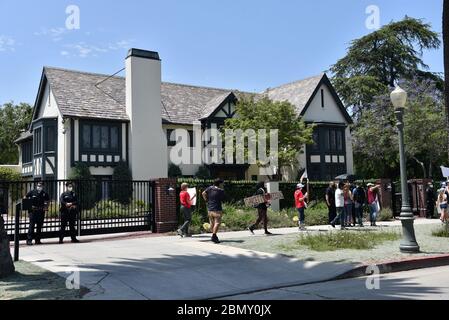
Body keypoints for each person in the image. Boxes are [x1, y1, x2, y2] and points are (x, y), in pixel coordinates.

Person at [202, 178, 225, 244]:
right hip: (217, 209)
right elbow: (223, 198)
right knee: (217, 223)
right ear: (220, 184)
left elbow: (203, 193)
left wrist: (206, 200)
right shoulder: (220, 190)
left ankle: (214, 235)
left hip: (210, 209)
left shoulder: (209, 188)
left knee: (212, 223)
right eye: (222, 183)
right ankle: (214, 236)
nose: (223, 184)